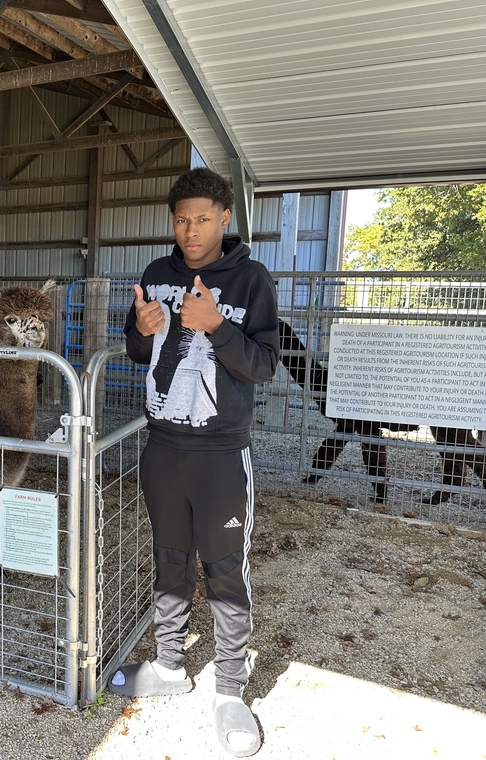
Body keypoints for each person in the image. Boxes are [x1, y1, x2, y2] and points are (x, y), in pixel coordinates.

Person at [110, 167, 279, 758]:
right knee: (169, 558)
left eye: (202, 219)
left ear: (225, 218)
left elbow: (264, 365)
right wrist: (139, 327)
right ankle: (170, 665)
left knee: (225, 568)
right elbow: (138, 349)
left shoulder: (251, 278)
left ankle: (231, 693)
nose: (190, 230)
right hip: (163, 447)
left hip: (221, 453)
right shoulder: (158, 275)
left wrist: (216, 329)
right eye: (182, 219)